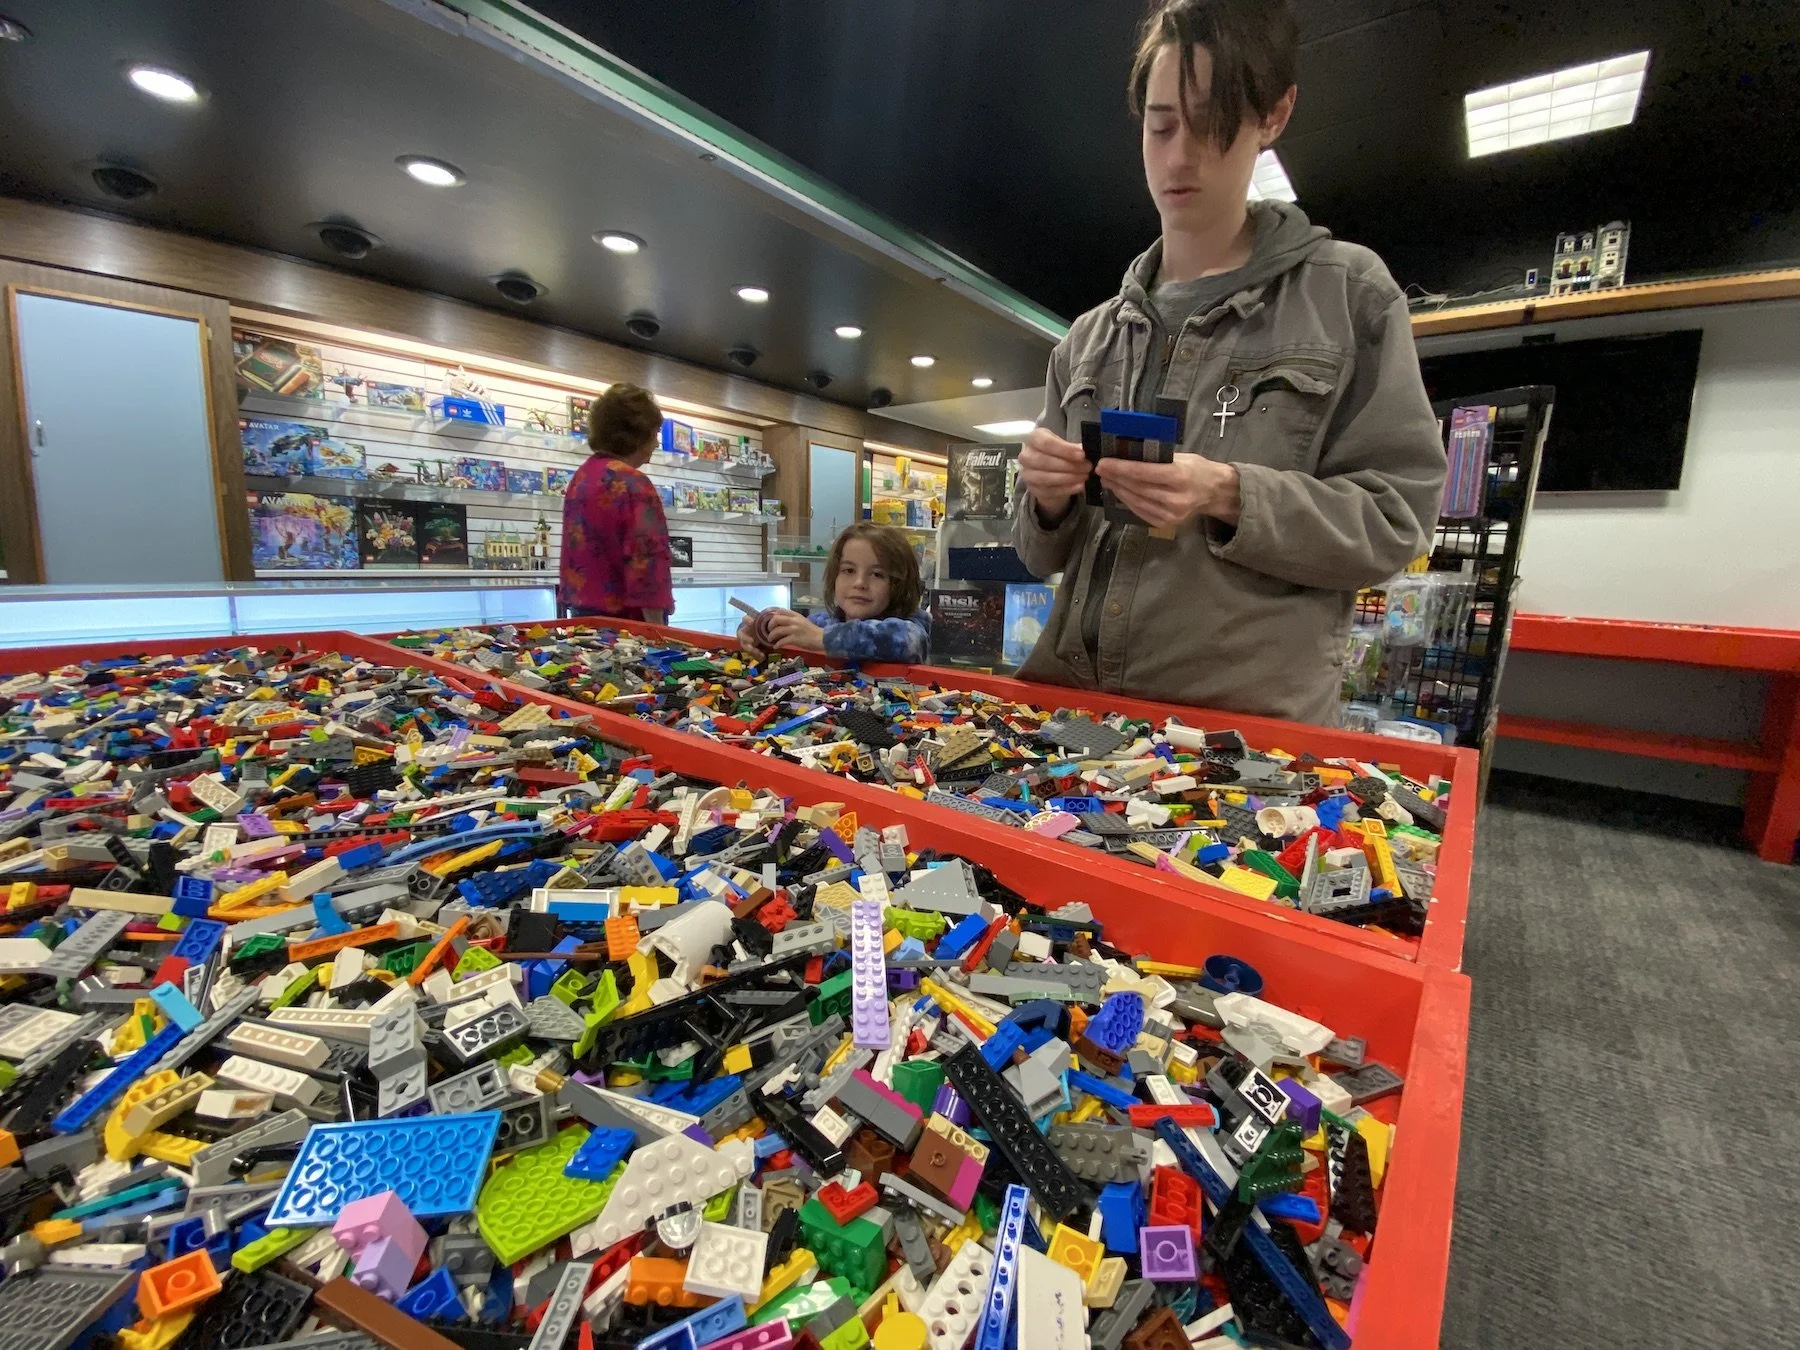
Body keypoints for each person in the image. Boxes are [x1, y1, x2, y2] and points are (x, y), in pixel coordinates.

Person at [1013, 0, 1446, 725]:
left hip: (1239, 744)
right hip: (1075, 715)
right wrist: (1047, 499)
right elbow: (1038, 555)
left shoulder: (1349, 296)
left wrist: (1227, 492)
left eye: (1212, 125)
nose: (1180, 157)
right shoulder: (1086, 340)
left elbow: (1396, 522)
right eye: (1161, 126)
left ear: (1274, 115)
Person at [559, 383, 675, 623]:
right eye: (654, 434)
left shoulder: (582, 477)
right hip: (628, 623)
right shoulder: (634, 483)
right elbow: (647, 566)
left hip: (582, 618)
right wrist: (659, 632)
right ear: (637, 434)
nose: (656, 443)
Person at [738, 522, 930, 661]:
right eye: (849, 570)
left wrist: (820, 638)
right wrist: (759, 631)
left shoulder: (912, 627)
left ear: (899, 585)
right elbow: (791, 631)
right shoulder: (824, 622)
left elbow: (906, 640)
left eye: (877, 574)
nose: (860, 583)